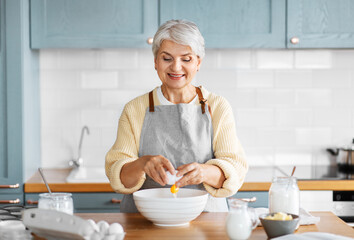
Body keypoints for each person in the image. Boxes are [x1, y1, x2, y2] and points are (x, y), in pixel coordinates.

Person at [105, 19, 248, 213]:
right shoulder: (135, 109)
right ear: (156, 62)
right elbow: (119, 177)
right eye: (167, 58)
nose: (176, 67)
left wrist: (203, 172)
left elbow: (235, 170)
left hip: (206, 223)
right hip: (145, 223)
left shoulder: (217, 106)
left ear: (198, 62)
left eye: (186, 59)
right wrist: (142, 164)